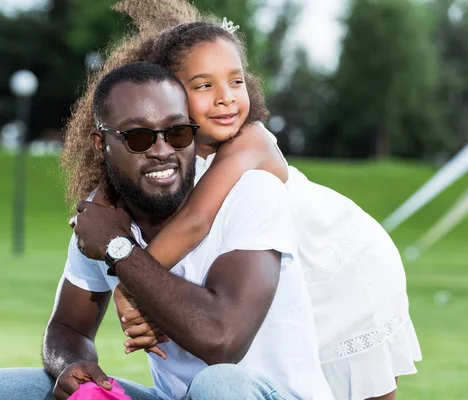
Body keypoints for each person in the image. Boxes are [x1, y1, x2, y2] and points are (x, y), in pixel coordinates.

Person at [62, 1, 422, 399]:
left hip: (341, 266)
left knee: (360, 380)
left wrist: (128, 285)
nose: (225, 99)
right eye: (203, 86)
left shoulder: (251, 142)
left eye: (235, 81)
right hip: (282, 276)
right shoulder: (178, 152)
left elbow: (196, 221)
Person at [0, 62, 334, 400]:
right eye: (140, 137)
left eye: (176, 132)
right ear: (102, 144)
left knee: (219, 385)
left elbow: (222, 340)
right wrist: (70, 365)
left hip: (265, 394)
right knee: (2, 389)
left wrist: (119, 249)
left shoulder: (251, 194)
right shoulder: (102, 221)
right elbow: (69, 328)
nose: (162, 150)